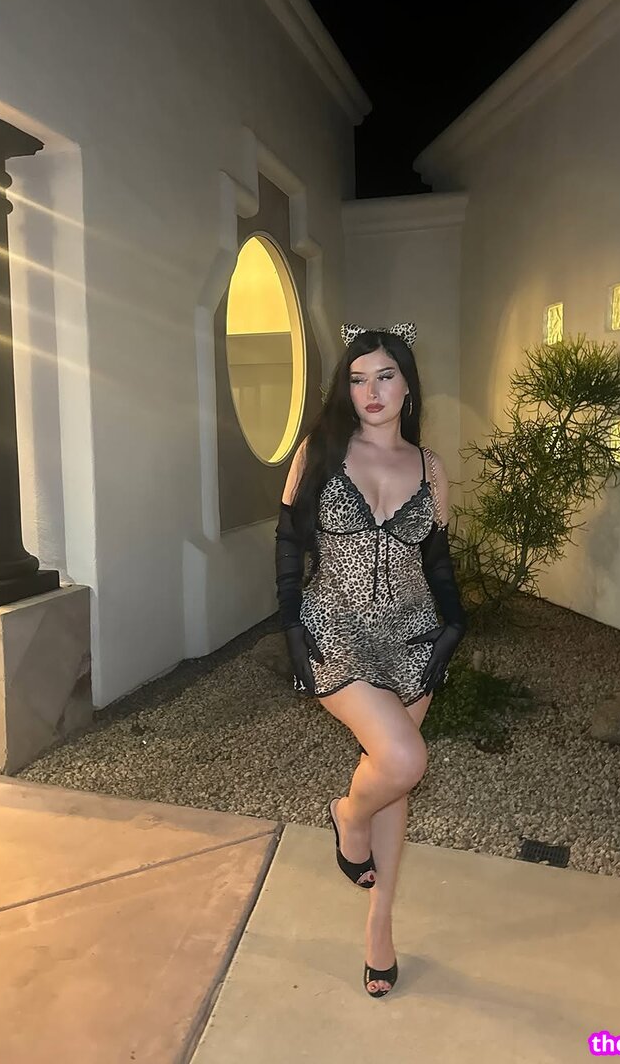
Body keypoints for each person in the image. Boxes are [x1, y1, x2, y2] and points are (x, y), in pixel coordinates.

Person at [274, 321, 467, 999]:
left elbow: (437, 561)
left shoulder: (430, 468)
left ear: (408, 385)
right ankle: (347, 816)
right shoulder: (320, 453)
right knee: (404, 760)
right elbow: (288, 543)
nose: (372, 391)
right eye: (358, 379)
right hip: (337, 628)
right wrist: (290, 627)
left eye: (385, 376)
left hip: (412, 635)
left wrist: (455, 623)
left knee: (393, 777)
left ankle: (380, 926)